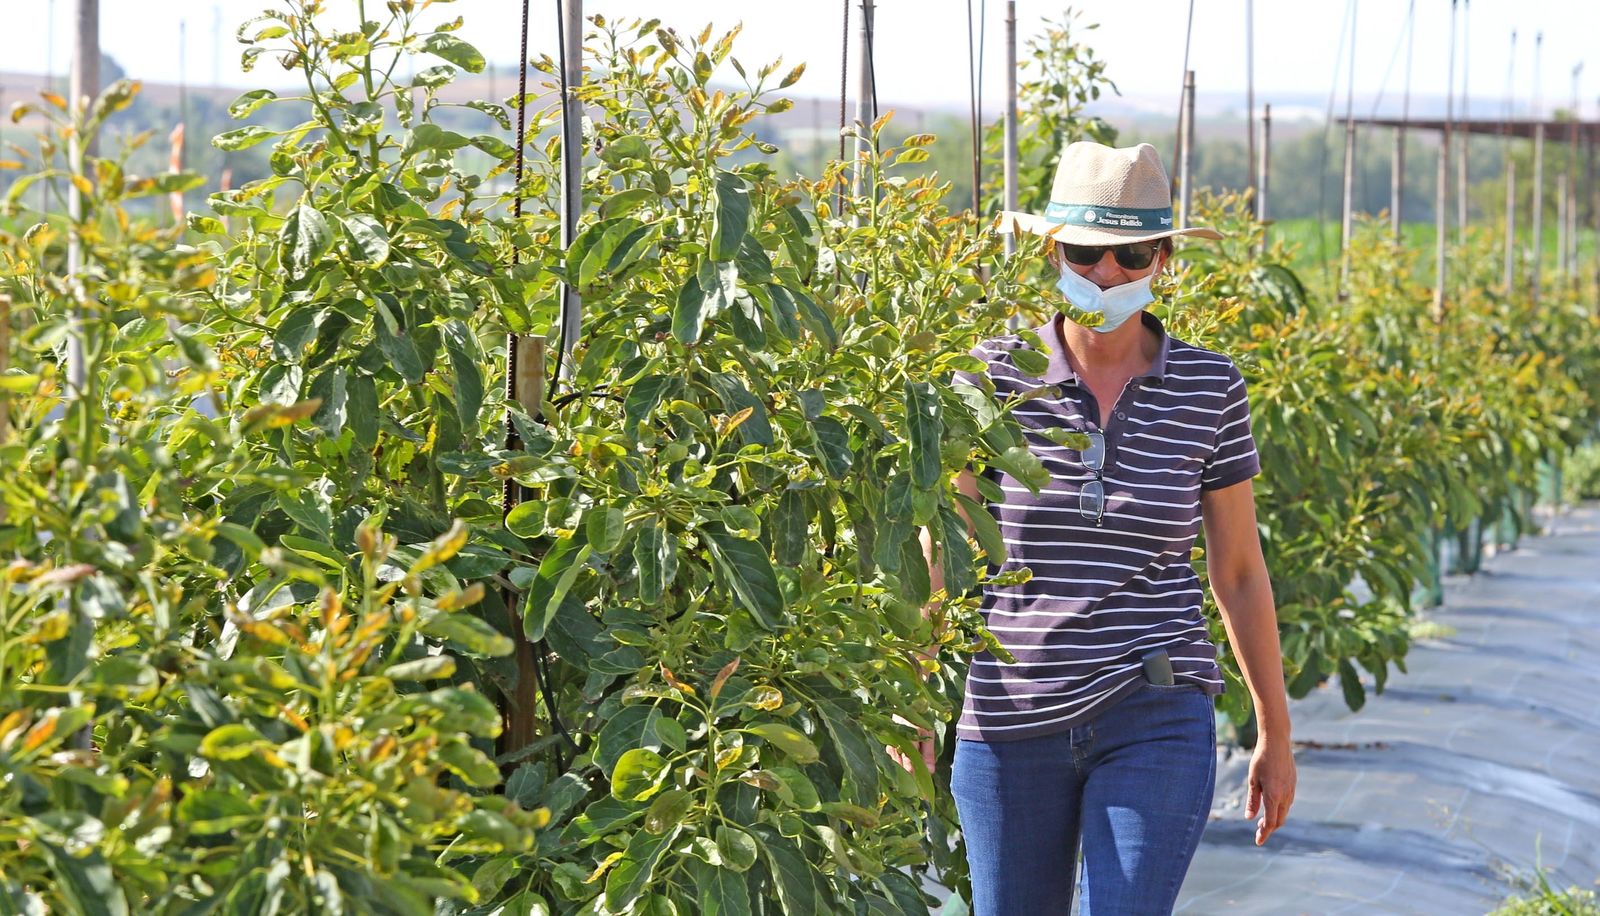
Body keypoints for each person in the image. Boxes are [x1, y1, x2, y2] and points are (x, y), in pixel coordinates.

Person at [896, 141, 1296, 914]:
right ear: (1053, 252)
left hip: (1156, 698)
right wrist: (912, 701)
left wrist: (1275, 732)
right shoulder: (990, 377)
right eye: (1084, 254)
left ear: (1163, 260)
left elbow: (1240, 572)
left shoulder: (1210, 386)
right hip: (1012, 709)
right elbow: (939, 548)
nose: (1106, 275)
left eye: (1130, 253)